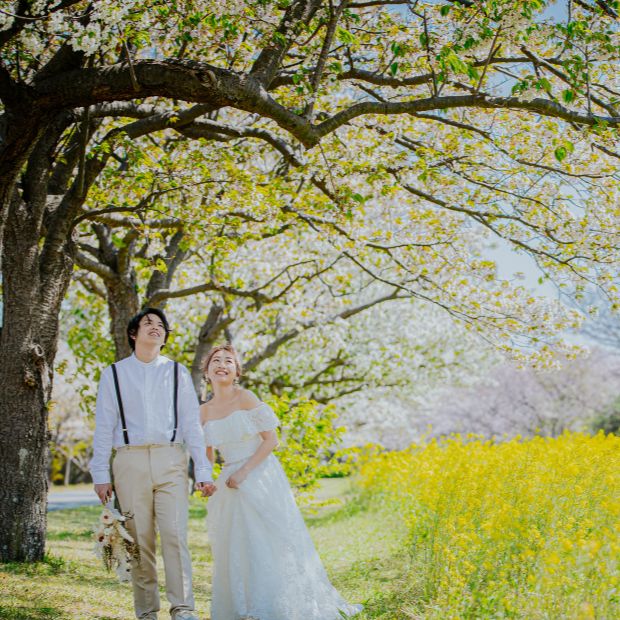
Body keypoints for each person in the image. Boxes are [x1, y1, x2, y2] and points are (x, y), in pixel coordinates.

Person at [200, 344, 362, 620]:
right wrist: (207, 480)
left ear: (237, 371)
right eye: (216, 360)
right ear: (207, 371)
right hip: (229, 480)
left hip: (259, 472)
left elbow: (271, 440)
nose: (222, 364)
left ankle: (274, 604)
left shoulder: (246, 398)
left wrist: (245, 472)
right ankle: (245, 606)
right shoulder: (203, 411)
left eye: (229, 361)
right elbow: (206, 453)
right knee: (237, 543)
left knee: (269, 537)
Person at [90, 308, 216, 620]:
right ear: (133, 334)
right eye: (148, 323)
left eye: (160, 325)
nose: (155, 328)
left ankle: (183, 607)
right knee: (139, 538)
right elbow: (104, 426)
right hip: (129, 461)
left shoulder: (177, 373)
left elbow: (191, 424)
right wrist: (100, 473)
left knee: (175, 534)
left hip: (171, 458)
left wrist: (202, 469)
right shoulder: (114, 374)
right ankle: (146, 610)